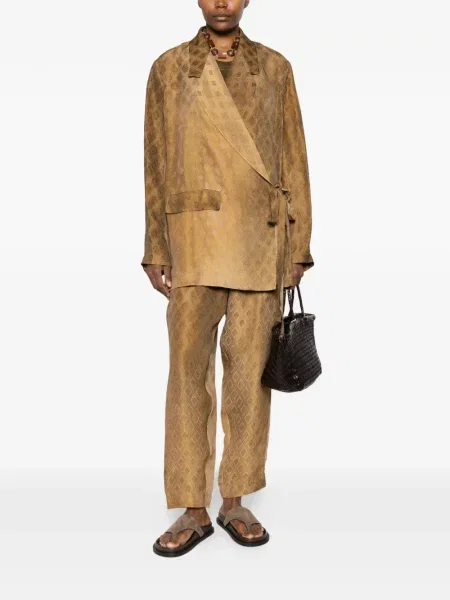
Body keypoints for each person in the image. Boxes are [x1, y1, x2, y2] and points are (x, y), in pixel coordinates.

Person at [141, 0, 314, 557]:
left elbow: (294, 159)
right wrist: (155, 245)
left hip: (259, 238)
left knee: (249, 378)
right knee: (187, 375)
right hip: (193, 239)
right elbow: (155, 163)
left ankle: (234, 499)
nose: (222, 2)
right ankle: (192, 507)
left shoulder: (275, 67)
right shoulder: (170, 67)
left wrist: (298, 244)